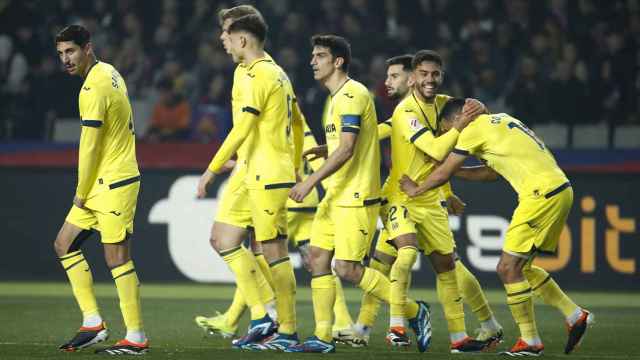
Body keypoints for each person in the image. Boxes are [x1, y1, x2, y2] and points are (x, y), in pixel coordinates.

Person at [400, 98, 594, 356]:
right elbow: (492, 172)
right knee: (522, 268)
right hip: (558, 188)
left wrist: (417, 189)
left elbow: (443, 172)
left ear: (458, 119)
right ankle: (574, 315)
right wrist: (455, 171)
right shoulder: (503, 119)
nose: (450, 137)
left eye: (448, 130)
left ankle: (531, 342)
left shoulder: (472, 129)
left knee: (507, 267)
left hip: (540, 194)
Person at [286, 35, 430, 353]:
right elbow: (351, 141)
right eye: (313, 55)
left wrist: (310, 182)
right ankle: (323, 337)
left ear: (338, 62)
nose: (313, 61)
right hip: (335, 197)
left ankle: (414, 312)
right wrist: (326, 148)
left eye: (320, 56)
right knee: (318, 260)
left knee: (348, 268)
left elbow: (348, 149)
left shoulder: (352, 94)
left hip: (356, 197)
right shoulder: (335, 98)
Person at [353, 53, 503, 353]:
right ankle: (392, 325)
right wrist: (340, 147)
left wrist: (478, 108)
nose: (429, 80)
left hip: (430, 198)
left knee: (447, 266)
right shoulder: (405, 110)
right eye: (424, 74)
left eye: (435, 74)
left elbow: (470, 110)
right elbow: (435, 151)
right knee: (401, 256)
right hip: (400, 196)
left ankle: (460, 337)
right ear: (414, 78)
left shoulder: (444, 103)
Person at [197, 9, 304, 349]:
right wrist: (295, 160)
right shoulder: (252, 71)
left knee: (274, 252)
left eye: (226, 34)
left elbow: (243, 126)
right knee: (223, 239)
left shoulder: (262, 74)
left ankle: (286, 330)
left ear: (242, 39)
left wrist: (211, 169)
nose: (221, 39)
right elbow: (298, 122)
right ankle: (260, 316)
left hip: (268, 173)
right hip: (250, 169)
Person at [53, 25, 149, 355]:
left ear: (87, 48)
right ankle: (93, 323)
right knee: (64, 244)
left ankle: (136, 337)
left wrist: (80, 192)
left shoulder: (92, 88)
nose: (65, 59)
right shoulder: (109, 71)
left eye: (71, 51)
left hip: (113, 182)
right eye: (61, 53)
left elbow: (90, 147)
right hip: (101, 183)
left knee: (117, 258)